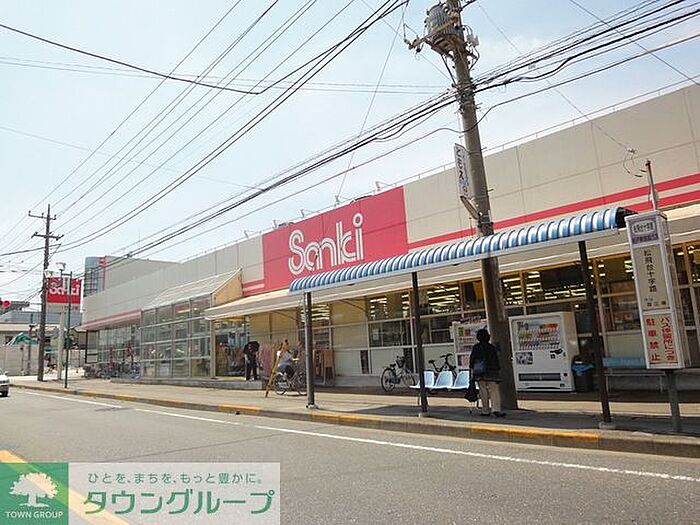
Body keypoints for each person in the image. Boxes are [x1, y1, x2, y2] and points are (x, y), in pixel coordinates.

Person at [469, 328, 505, 417]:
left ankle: (485, 410)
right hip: (492, 372)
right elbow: (496, 360)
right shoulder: (491, 347)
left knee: (483, 391)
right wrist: (498, 370)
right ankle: (496, 409)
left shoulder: (476, 347)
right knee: (494, 391)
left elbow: (472, 360)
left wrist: (472, 369)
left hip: (480, 372)